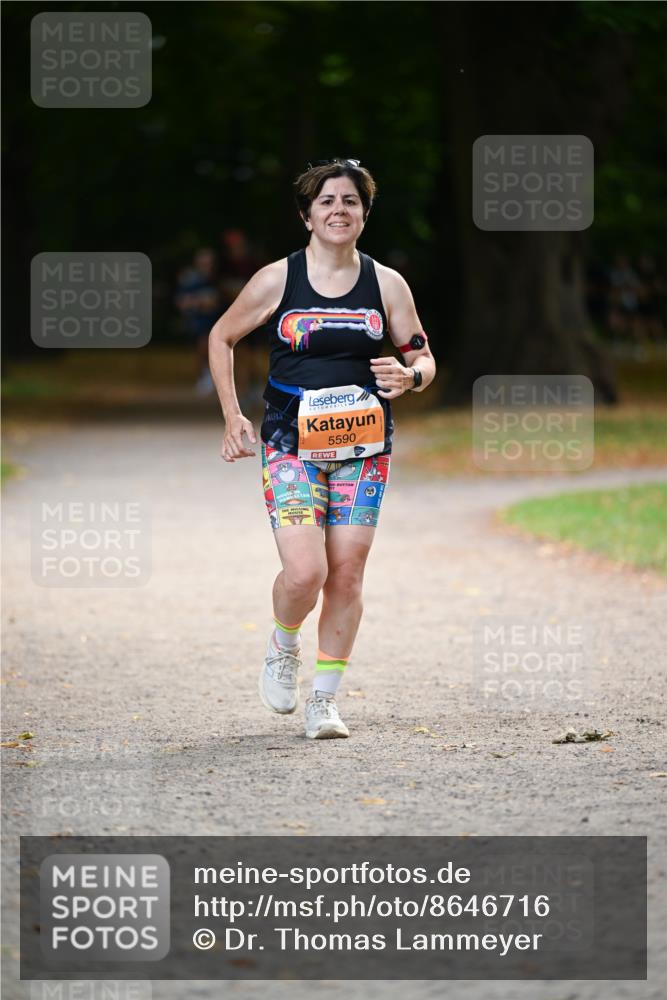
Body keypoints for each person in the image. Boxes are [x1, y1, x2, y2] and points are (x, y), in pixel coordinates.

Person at [208, 159, 435, 739]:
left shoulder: (386, 284)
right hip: (289, 441)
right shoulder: (277, 279)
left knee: (349, 574)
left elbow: (422, 356)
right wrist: (233, 415)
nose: (339, 210)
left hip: (364, 447)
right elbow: (222, 336)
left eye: (351, 202)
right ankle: (284, 642)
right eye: (327, 201)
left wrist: (412, 378)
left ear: (364, 213)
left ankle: (324, 701)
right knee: (306, 572)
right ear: (308, 214)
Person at [175, 247, 222, 395]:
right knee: (203, 345)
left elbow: (218, 301)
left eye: (209, 262)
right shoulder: (190, 279)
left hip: (219, 320)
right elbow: (181, 302)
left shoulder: (217, 278)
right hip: (201, 322)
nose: (206, 265)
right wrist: (200, 302)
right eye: (203, 262)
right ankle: (205, 376)